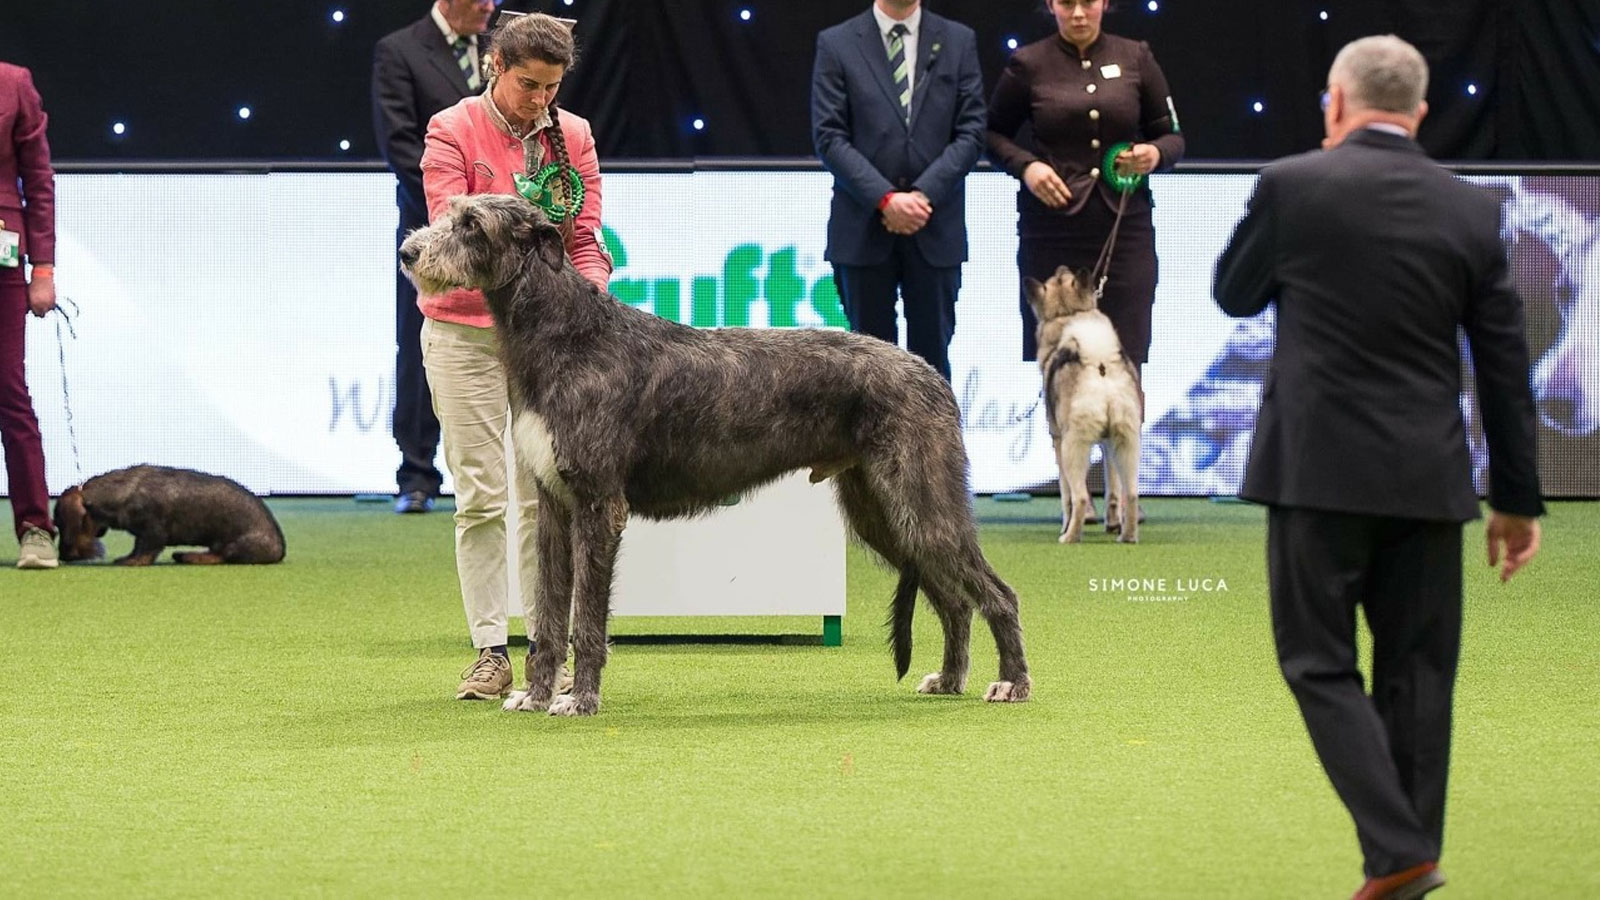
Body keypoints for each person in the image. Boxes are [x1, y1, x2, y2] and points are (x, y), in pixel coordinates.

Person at [1213, 35, 1544, 900]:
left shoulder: (1292, 185)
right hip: (1430, 481)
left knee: (1319, 664)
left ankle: (1399, 854)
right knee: (1420, 676)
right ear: (1421, 113)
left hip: (1314, 475)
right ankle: (1405, 860)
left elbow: (1233, 293)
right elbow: (1507, 367)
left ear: (1335, 101)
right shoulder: (1472, 209)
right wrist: (1516, 501)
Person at [419, 11, 610, 699]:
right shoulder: (452, 129)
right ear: (495, 66)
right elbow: (457, 237)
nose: (541, 102)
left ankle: (544, 652)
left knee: (545, 501)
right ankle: (489, 650)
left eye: (553, 89)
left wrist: (593, 299)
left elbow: (584, 238)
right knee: (481, 497)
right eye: (528, 84)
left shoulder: (575, 136)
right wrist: (527, 207)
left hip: (552, 349)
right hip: (464, 335)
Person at [986, 0, 1182, 521]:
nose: (1078, 12)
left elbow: (1173, 134)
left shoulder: (1136, 56)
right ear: (1051, 6)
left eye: (1087, 1)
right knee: (1058, 359)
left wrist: (1154, 155)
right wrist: (1026, 167)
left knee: (1128, 355)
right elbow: (991, 135)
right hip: (1052, 228)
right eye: (1066, 2)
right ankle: (1078, 498)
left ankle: (1124, 496)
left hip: (1125, 225)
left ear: (1105, 4)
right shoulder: (1027, 63)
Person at [811, 0, 986, 382]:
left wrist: (923, 195)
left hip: (935, 228)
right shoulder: (837, 42)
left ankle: (935, 444)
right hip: (862, 229)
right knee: (867, 370)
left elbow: (972, 133)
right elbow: (829, 137)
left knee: (932, 365)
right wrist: (885, 198)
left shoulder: (958, 40)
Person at [373, 0, 497, 515]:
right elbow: (399, 143)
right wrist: (455, 211)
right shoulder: (399, 51)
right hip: (429, 230)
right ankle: (417, 474)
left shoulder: (502, 49)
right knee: (420, 342)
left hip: (501, 232)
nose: (491, 6)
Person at [0, 62, 58, 570]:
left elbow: (37, 178)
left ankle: (36, 528)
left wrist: (43, 266)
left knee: (9, 391)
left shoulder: (14, 83)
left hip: (2, 253)